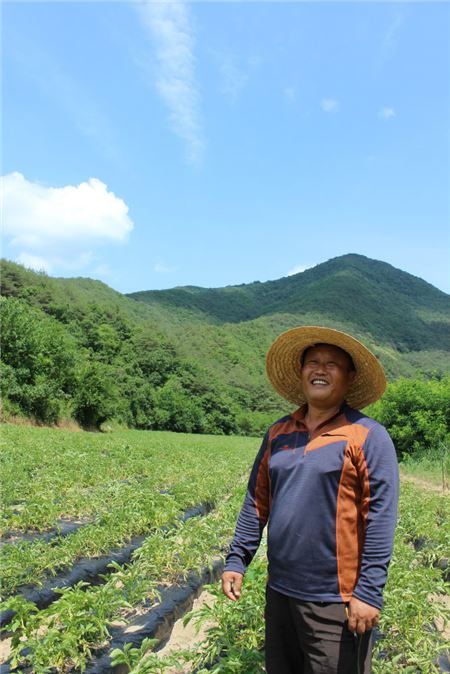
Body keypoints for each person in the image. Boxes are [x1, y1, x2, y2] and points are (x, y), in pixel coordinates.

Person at [222, 326, 399, 674]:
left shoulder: (368, 437)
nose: (320, 369)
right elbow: (256, 501)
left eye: (332, 364)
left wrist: (369, 592)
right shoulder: (278, 433)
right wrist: (236, 559)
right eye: (313, 362)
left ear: (349, 378)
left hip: (336, 601)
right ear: (301, 373)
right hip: (281, 591)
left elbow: (381, 516)